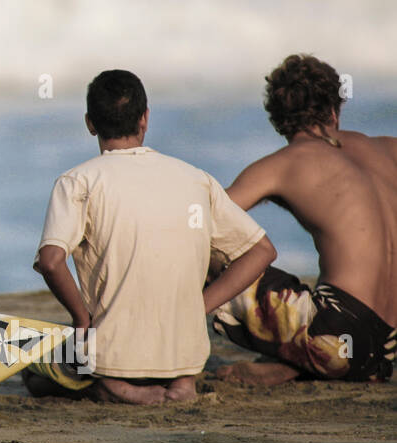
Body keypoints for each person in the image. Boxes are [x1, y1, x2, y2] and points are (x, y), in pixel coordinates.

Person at [28, 70, 276, 404]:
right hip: (184, 355)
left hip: (112, 355)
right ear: (145, 118)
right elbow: (261, 251)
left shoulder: (78, 182)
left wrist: (81, 318)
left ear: (90, 123)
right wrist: (197, 307)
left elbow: (51, 261)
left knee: (34, 371)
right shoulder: (195, 179)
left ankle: (116, 387)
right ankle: (183, 384)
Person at [210, 54, 397, 384]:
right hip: (387, 350)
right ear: (335, 109)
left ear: (278, 120)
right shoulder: (389, 149)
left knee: (205, 247)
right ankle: (296, 368)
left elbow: (204, 224)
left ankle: (306, 361)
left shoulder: (283, 164)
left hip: (337, 339)